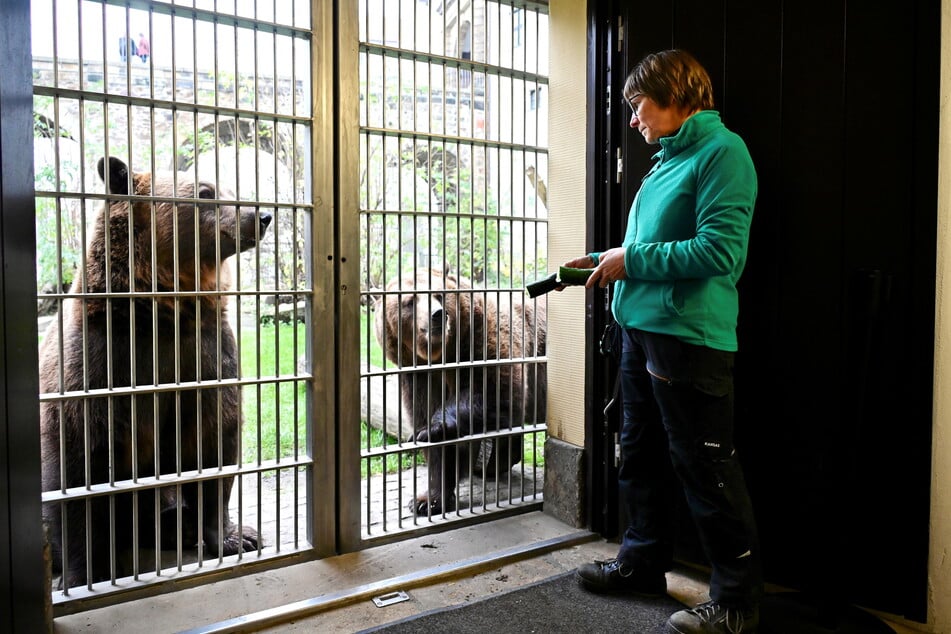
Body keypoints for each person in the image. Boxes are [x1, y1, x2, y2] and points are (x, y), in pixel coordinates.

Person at [569, 49, 763, 634]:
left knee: (706, 468)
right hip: (640, 333)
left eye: (638, 105)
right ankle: (642, 562)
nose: (633, 119)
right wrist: (609, 258)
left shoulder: (723, 153)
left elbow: (719, 253)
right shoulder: (664, 161)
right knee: (641, 455)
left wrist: (631, 260)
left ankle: (735, 603)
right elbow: (654, 247)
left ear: (676, 94)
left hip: (689, 340)